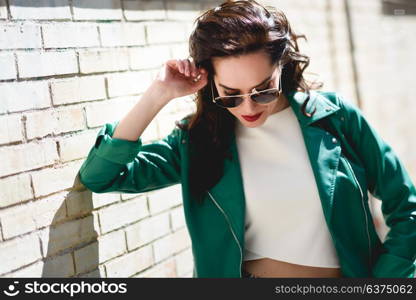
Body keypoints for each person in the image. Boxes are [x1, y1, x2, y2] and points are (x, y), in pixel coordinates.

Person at [77, 0, 416, 278]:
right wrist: (158, 94)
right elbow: (101, 177)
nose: (248, 107)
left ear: (281, 68)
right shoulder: (197, 142)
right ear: (210, 82)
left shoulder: (335, 118)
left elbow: (406, 206)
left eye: (263, 90)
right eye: (231, 94)